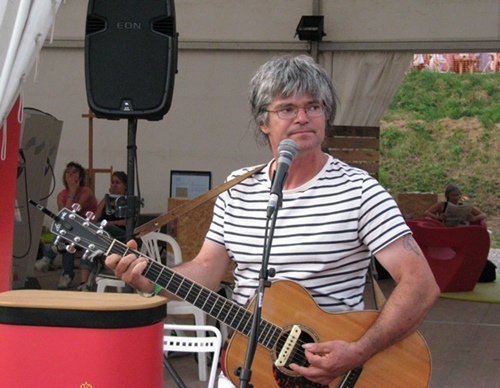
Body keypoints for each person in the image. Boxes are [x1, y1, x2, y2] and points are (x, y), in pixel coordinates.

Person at [105, 55, 439, 386]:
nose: (303, 118)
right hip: (249, 369)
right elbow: (207, 271)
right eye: (287, 109)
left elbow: (420, 285)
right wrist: (155, 281)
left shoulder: (361, 191)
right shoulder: (237, 190)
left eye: (314, 106)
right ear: (263, 122)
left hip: (337, 372)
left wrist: (359, 351)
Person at [35, 161, 97, 290]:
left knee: (67, 234)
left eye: (74, 172)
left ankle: (49, 257)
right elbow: (63, 218)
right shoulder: (60, 195)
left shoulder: (87, 193)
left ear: (80, 177)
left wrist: (73, 191)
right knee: (67, 235)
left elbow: (71, 214)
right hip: (71, 233)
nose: (70, 175)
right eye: (68, 172)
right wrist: (70, 193)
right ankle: (66, 275)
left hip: (87, 231)